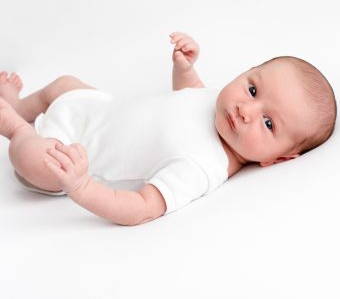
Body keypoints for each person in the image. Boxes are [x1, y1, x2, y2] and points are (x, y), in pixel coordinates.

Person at [0, 32, 337, 226]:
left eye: (268, 123)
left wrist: (82, 186)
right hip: (96, 109)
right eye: (252, 89)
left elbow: (142, 207)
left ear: (277, 159)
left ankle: (15, 127)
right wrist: (186, 68)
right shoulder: (219, 104)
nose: (245, 111)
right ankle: (19, 105)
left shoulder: (203, 166)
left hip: (70, 153)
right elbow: (188, 96)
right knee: (64, 85)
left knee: (34, 164)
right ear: (246, 71)